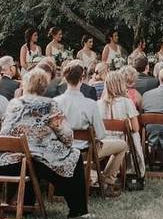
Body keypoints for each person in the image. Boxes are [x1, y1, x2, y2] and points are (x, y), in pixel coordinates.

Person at [0, 68, 89, 219]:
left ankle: (27, 204)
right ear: (44, 86)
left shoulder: (13, 103)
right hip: (33, 160)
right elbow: (67, 136)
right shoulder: (49, 104)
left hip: (5, 161)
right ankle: (78, 210)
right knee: (74, 156)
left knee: (33, 158)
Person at [54, 63, 127, 195]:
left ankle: (97, 178)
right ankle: (107, 181)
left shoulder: (55, 102)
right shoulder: (90, 104)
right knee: (122, 145)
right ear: (82, 79)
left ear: (65, 78)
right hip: (85, 150)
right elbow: (101, 134)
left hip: (61, 148)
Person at [97, 71, 144, 177]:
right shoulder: (126, 102)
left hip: (104, 140)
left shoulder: (98, 104)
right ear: (121, 84)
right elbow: (136, 128)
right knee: (135, 135)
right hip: (122, 140)